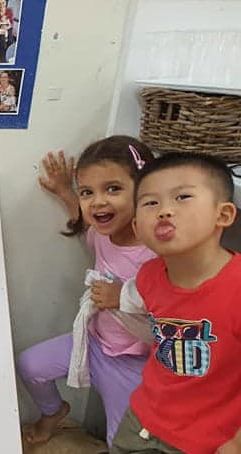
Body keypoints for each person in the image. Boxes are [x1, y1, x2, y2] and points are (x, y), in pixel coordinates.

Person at [17, 136, 157, 447]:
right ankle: (54, 413)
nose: (98, 202)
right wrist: (66, 192)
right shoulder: (101, 235)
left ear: (146, 191)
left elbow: (178, 306)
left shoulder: (156, 251)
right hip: (91, 343)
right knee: (30, 365)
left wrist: (122, 296)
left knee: (121, 440)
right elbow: (85, 224)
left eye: (113, 189)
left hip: (132, 363)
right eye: (88, 192)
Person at [111, 152, 241, 454]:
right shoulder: (148, 276)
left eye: (182, 197)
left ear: (223, 215)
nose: (164, 211)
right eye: (150, 203)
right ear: (136, 227)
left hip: (208, 440)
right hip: (141, 421)